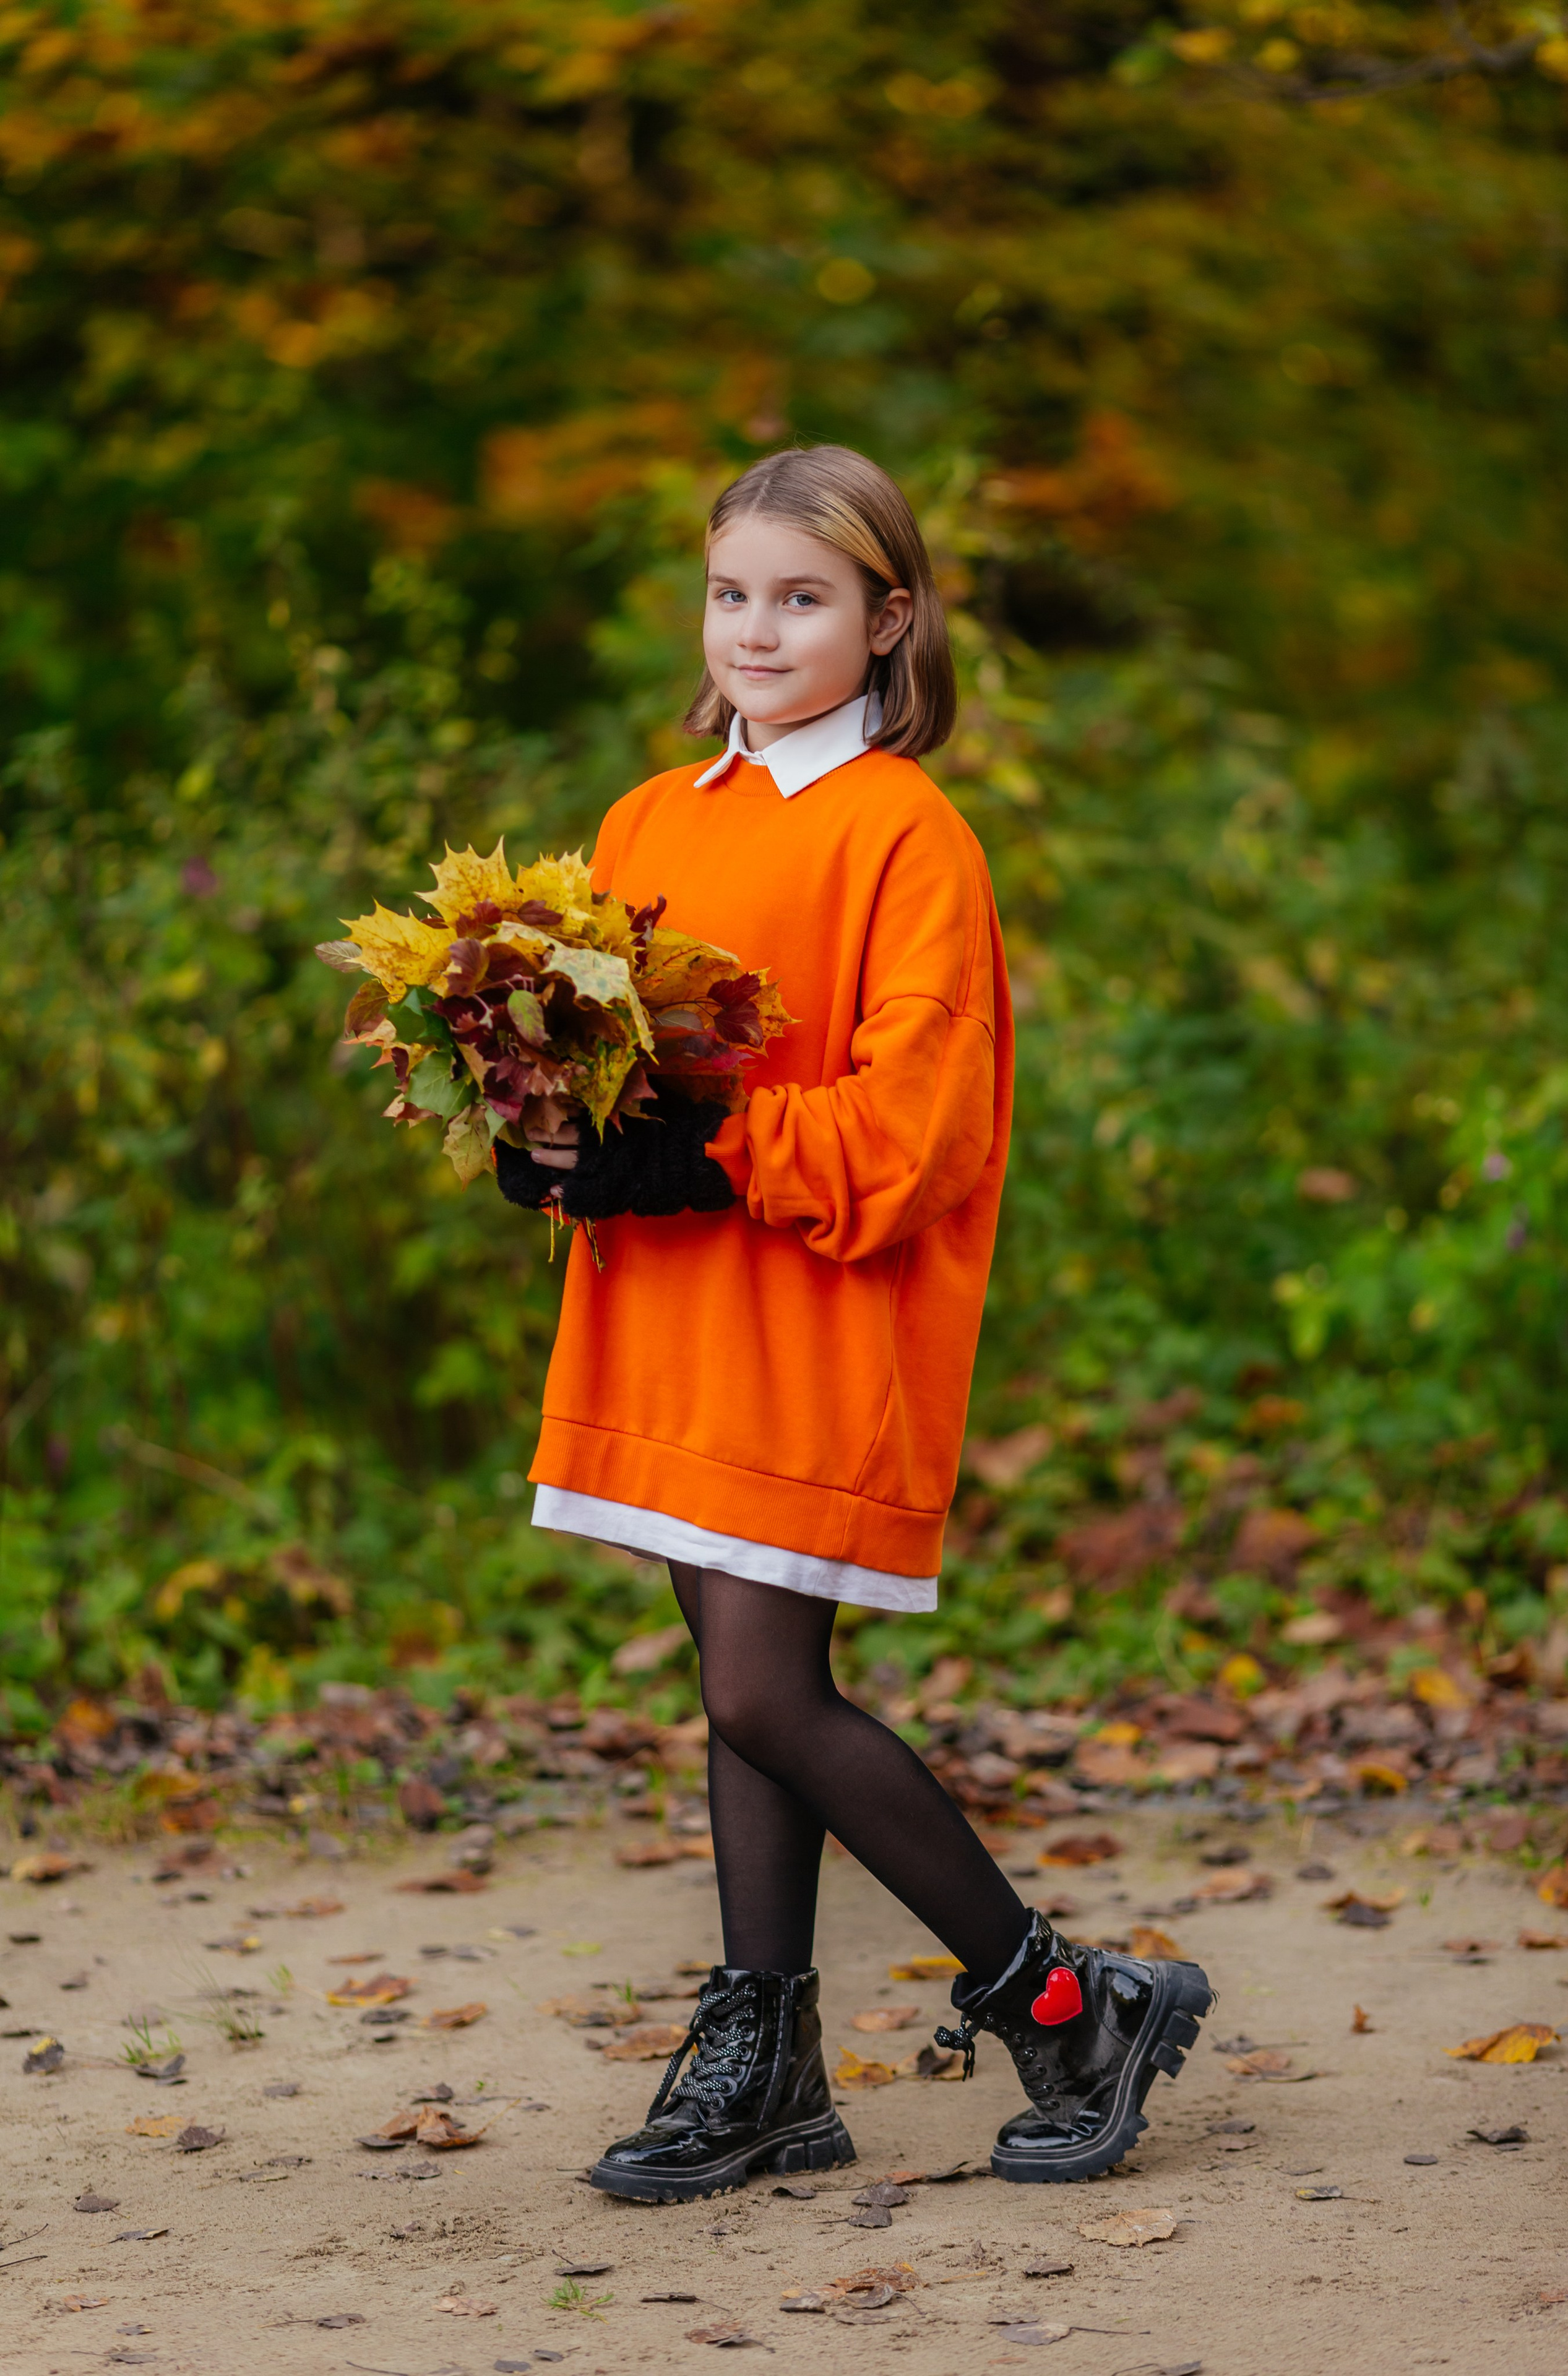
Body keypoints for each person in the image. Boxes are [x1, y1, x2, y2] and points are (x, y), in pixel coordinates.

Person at [496, 445, 1210, 2202]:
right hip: (670, 1315)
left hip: (820, 1319)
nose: (758, 628)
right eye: (734, 593)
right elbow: (606, 1078)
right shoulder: (650, 820)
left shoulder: (910, 833)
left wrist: (700, 1140)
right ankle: (766, 2059)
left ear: (889, 620)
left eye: (802, 598)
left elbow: (916, 1135)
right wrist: (553, 1143)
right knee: (746, 1695)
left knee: (763, 1687)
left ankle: (1065, 2000)